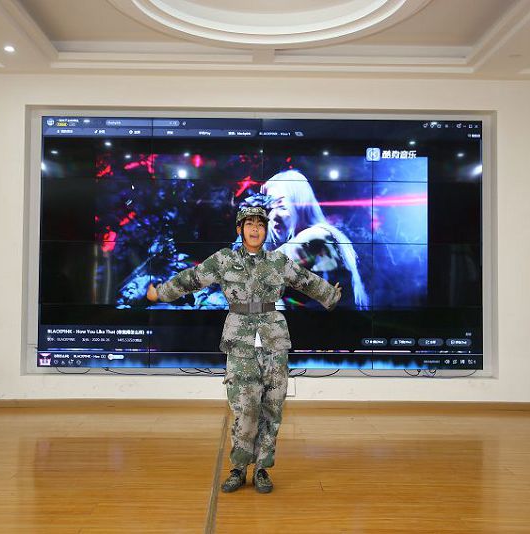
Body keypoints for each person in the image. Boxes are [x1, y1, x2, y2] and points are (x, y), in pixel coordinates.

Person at [146, 206, 341, 494]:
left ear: (265, 230)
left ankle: (262, 469)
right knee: (245, 409)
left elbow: (305, 280)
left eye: (260, 225)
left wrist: (330, 295)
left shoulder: (278, 261)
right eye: (249, 224)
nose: (255, 229)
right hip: (240, 342)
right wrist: (160, 293)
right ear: (240, 229)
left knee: (272, 409)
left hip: (274, 341)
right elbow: (192, 278)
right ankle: (238, 468)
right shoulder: (223, 260)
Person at [261, 170, 370, 309]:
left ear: (300, 205)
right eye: (269, 208)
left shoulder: (316, 235)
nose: (272, 216)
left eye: (281, 207)